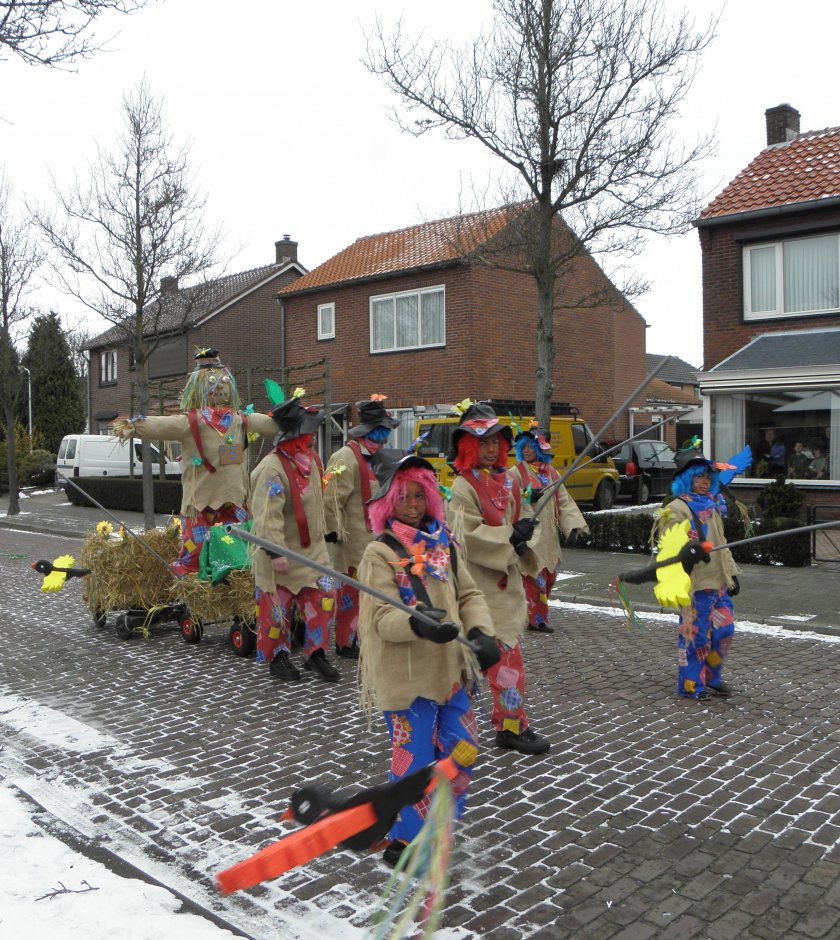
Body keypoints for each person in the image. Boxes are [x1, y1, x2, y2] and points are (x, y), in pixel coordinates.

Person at [358, 449, 498, 868]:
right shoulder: (379, 553)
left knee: (464, 751)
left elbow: (469, 594)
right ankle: (406, 838)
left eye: (420, 496)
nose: (414, 506)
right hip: (408, 682)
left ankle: (439, 826)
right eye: (404, 498)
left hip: (452, 674)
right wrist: (416, 624)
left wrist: (481, 632)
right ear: (388, 502)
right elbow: (381, 617)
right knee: (415, 764)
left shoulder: (445, 543)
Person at [111, 348, 278, 574]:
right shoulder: (192, 422)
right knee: (196, 549)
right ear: (198, 386)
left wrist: (292, 419)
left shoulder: (241, 420)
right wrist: (135, 426)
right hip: (201, 500)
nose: (218, 386)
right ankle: (191, 576)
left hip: (235, 499)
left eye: (223, 381)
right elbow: (163, 425)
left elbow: (270, 424)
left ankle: (233, 575)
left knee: (237, 547)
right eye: (211, 381)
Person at [446, 401, 550, 754]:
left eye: (495, 442)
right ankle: (449, 727)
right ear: (467, 446)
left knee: (508, 661)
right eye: (482, 442)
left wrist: (523, 535)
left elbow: (524, 521)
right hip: (477, 589)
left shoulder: (510, 480)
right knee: (467, 664)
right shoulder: (462, 487)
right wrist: (509, 536)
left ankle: (509, 725)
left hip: (507, 586)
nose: (490, 449)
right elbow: (468, 536)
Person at [250, 395, 340, 683]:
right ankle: (277, 657)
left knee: (325, 598)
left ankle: (316, 653)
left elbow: (318, 500)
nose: (313, 438)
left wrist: (327, 528)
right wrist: (275, 552)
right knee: (276, 612)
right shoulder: (270, 469)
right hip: (280, 553)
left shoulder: (310, 461)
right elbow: (267, 516)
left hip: (312, 552)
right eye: (308, 433)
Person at [655, 441, 741, 702]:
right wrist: (688, 551)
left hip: (718, 582)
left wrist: (732, 573)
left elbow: (722, 544)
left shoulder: (712, 505)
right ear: (686, 479)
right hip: (695, 585)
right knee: (695, 637)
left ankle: (712, 676)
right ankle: (692, 683)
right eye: (698, 477)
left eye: (707, 476)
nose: (704, 481)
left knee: (725, 631)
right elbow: (666, 545)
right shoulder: (676, 508)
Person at [323, 396, 400, 660]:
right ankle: (345, 642)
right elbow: (330, 498)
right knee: (350, 595)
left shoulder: (377, 457)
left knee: (376, 593)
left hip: (377, 539)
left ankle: (367, 636)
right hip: (353, 541)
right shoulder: (345, 457)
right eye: (383, 432)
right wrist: (333, 531)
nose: (387, 439)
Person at [513, 423, 589, 634]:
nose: (526, 450)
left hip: (549, 539)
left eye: (530, 446)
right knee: (533, 579)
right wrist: (527, 497)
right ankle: (537, 620)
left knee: (549, 578)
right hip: (530, 537)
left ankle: (530, 613)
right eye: (523, 447)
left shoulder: (552, 473)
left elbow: (564, 501)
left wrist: (573, 526)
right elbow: (508, 498)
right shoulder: (516, 473)